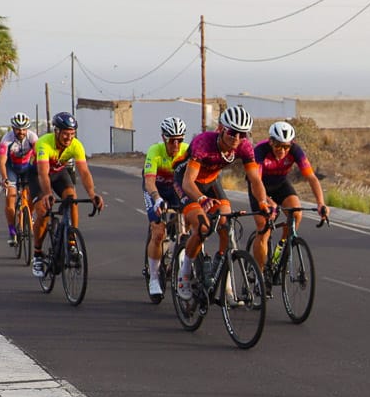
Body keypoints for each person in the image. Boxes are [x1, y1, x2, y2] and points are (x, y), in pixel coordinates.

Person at [177, 106, 275, 293]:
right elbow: (188, 182)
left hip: (211, 181)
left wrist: (263, 201)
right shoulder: (203, 142)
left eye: (242, 134)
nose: (237, 139)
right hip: (187, 182)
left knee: (226, 226)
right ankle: (185, 272)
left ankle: (220, 274)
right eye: (232, 133)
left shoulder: (244, 146)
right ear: (221, 128)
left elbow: (255, 179)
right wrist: (202, 198)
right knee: (203, 227)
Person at [31, 111, 104, 278]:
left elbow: (84, 172)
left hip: (58, 172)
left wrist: (92, 194)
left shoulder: (76, 145)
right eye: (65, 134)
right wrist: (48, 194)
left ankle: (71, 242)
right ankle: (37, 254)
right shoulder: (44, 144)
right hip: (38, 174)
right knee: (43, 211)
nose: (69, 138)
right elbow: (43, 173)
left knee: (72, 198)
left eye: (72, 134)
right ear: (56, 131)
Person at [253, 120, 329, 271]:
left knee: (296, 213)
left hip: (280, 184)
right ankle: (259, 276)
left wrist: (321, 203)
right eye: (278, 146)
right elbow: (255, 181)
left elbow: (311, 178)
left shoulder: (295, 151)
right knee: (264, 227)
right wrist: (266, 201)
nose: (282, 150)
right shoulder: (260, 151)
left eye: (286, 146)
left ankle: (281, 247)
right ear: (270, 142)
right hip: (259, 186)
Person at [140, 116, 192, 300]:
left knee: (190, 221)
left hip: (176, 189)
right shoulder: (155, 151)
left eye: (180, 139)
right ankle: (154, 278)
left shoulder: (187, 152)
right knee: (158, 232)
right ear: (164, 138)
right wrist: (156, 199)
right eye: (172, 140)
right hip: (156, 190)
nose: (176, 144)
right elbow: (149, 181)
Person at [0, 112, 38, 246]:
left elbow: (38, 155)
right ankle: (12, 231)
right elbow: (2, 162)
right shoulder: (6, 140)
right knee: (11, 197)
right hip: (12, 168)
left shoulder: (32, 137)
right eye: (18, 129)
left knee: (33, 194)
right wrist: (5, 179)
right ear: (13, 129)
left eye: (24, 129)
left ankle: (29, 214)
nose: (21, 132)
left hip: (26, 167)